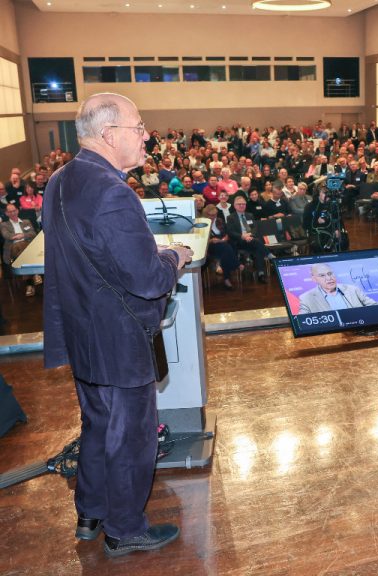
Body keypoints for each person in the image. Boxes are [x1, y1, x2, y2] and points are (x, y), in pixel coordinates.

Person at [43, 93, 192, 557]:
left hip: (85, 334)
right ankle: (125, 528)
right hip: (119, 339)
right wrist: (176, 255)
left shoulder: (60, 179)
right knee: (131, 437)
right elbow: (148, 280)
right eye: (139, 127)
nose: (147, 136)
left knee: (97, 425)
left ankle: (90, 512)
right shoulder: (113, 193)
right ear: (110, 136)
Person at [298, 263, 378, 313]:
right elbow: (302, 322)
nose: (329, 278)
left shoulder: (353, 289)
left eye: (330, 273)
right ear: (314, 279)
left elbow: (376, 307)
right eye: (322, 275)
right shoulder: (306, 298)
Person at [1, 203, 39, 296]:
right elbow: (7, 235)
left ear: (17, 211)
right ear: (6, 213)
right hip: (12, 249)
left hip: (28, 246)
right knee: (18, 246)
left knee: (21, 249)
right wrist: (20, 236)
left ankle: (29, 285)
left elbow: (33, 233)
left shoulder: (26, 221)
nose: (13, 213)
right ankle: (34, 274)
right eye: (10, 212)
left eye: (14, 210)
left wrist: (23, 235)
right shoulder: (4, 225)